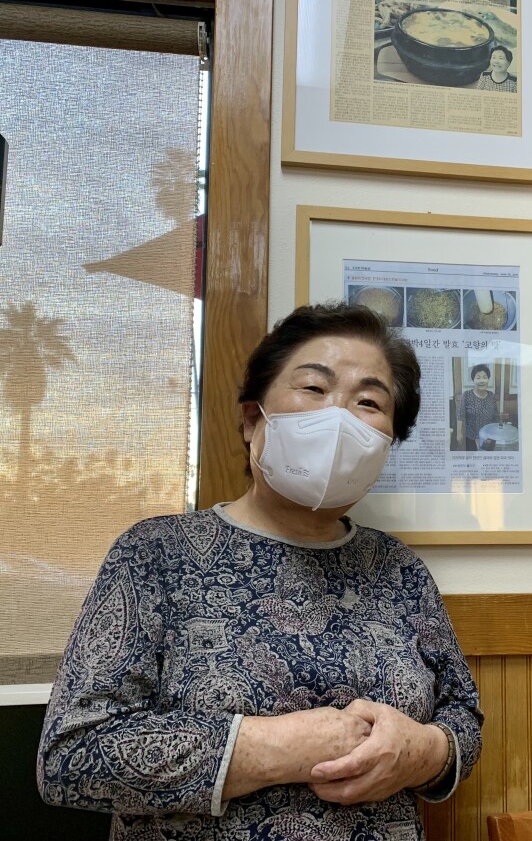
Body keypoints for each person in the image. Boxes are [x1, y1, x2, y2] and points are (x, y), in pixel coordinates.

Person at [37, 302, 483, 840]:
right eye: (314, 389)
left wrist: (424, 750)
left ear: (388, 442)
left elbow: (462, 715)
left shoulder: (400, 570)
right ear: (253, 420)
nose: (338, 418)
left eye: (368, 402)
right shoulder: (155, 553)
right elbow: (71, 756)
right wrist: (273, 748)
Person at [456, 363, 499, 451]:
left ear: (488, 379)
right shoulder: (467, 395)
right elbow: (460, 415)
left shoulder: (491, 396)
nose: (481, 381)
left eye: (484, 377)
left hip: (489, 438)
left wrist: (498, 433)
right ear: (473, 379)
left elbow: (496, 417)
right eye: (478, 378)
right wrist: (459, 433)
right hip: (471, 437)